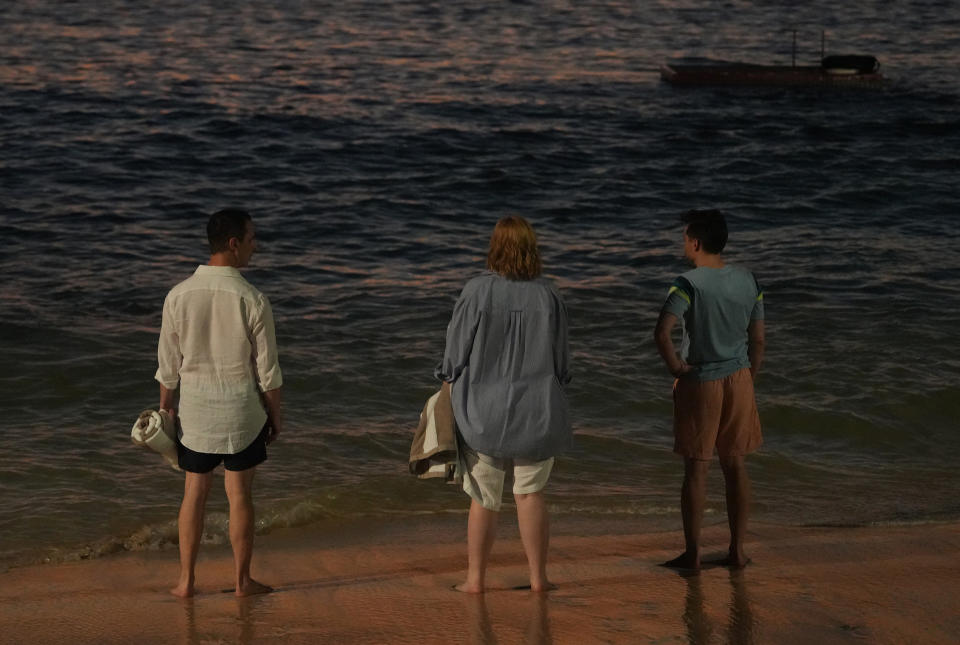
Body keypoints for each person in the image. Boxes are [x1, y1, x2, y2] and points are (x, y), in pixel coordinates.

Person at [436, 216, 572, 593]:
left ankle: (475, 580)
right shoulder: (549, 294)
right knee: (529, 493)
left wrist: (445, 378)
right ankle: (538, 578)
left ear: (495, 247)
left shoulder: (477, 291)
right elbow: (563, 362)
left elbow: (455, 352)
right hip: (537, 408)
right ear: (532, 249)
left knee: (483, 496)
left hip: (483, 408)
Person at [156, 208, 284, 597]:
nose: (254, 246)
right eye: (250, 239)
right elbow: (269, 372)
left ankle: (185, 582)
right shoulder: (252, 298)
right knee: (239, 496)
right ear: (233, 244)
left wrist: (167, 410)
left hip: (195, 415)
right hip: (242, 413)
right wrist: (275, 417)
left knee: (194, 493)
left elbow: (168, 367)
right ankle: (242, 582)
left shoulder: (178, 295)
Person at [654, 209, 765, 571]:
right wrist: (749, 375)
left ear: (696, 242)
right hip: (740, 379)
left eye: (685, 238)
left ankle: (694, 553)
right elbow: (758, 339)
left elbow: (662, 332)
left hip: (701, 381)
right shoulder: (749, 280)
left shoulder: (688, 283)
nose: (683, 243)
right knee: (736, 465)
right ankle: (737, 550)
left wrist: (676, 368)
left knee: (697, 469)